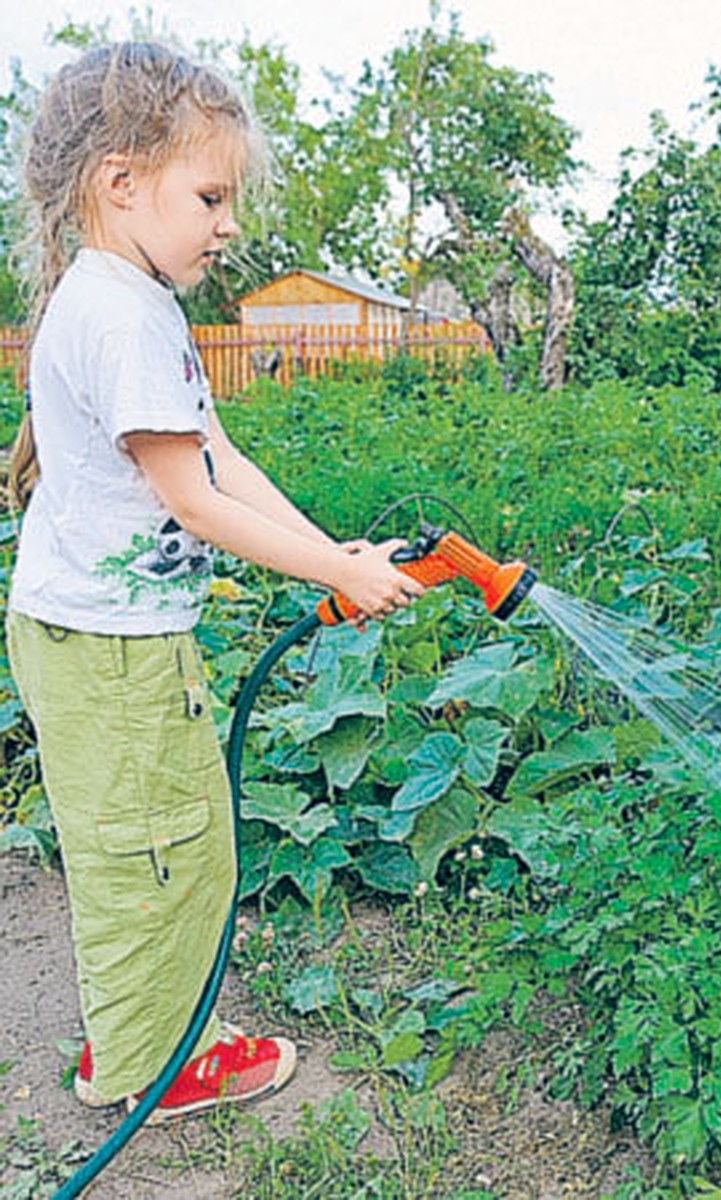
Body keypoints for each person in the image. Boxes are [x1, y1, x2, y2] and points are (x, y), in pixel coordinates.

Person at [4, 41, 423, 1122]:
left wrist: (342, 556)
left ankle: (139, 1038)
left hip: (105, 638)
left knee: (160, 842)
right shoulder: (120, 316)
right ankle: (147, 1067)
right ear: (121, 184)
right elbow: (193, 502)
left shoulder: (128, 302)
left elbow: (221, 459)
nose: (227, 222)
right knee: (160, 854)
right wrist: (335, 570)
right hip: (110, 649)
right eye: (211, 195)